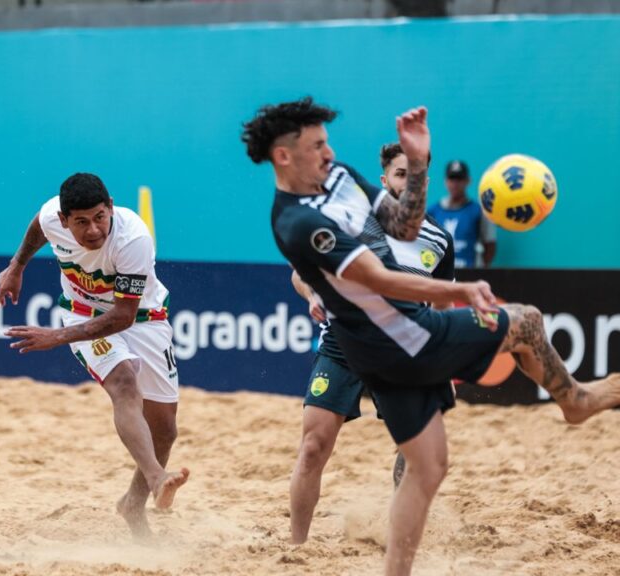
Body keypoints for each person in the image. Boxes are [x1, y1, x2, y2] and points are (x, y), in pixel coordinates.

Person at [242, 97, 620, 576]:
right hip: (391, 339)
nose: (329, 152)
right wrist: (461, 289)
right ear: (283, 156)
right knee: (525, 320)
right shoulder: (296, 222)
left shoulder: (338, 177)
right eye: (318, 145)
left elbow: (405, 222)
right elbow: (379, 279)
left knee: (428, 466)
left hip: (401, 337)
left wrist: (418, 163)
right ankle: (576, 400)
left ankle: (395, 570)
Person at [0, 173, 189, 540]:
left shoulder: (133, 239)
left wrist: (55, 337)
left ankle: (132, 504)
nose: (94, 229)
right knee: (124, 383)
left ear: (111, 206)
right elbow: (38, 226)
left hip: (142, 317)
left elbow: (122, 317)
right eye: (81, 221)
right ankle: (156, 477)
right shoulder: (53, 216)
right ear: (65, 219)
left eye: (100, 216)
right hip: (82, 314)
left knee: (165, 429)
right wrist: (17, 266)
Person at [287, 142, 454, 544]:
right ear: (384, 181)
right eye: (400, 175)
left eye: (415, 177)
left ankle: (396, 532)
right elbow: (300, 272)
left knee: (414, 454)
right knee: (313, 447)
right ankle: (296, 548)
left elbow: (443, 305)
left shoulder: (439, 242)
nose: (407, 183)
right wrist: (312, 295)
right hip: (344, 344)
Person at [427, 160, 497, 268]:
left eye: (459, 179)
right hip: (441, 277)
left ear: (468, 181)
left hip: (469, 274)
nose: (455, 184)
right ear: (446, 181)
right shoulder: (433, 211)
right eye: (452, 178)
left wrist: (481, 270)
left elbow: (490, 245)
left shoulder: (479, 211)